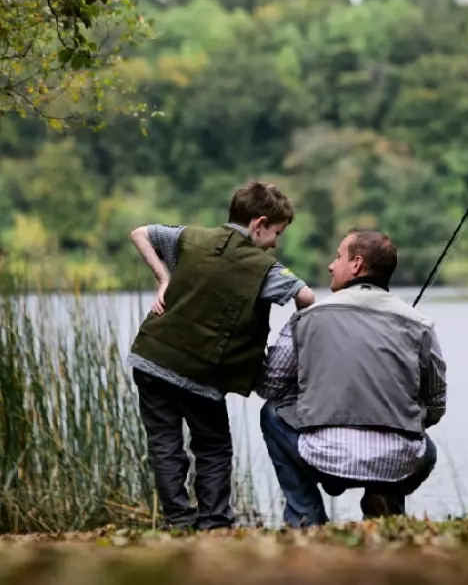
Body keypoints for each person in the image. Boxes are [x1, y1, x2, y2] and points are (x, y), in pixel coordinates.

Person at [126, 181, 315, 532]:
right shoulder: (264, 268)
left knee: (165, 443)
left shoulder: (191, 237)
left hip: (150, 358)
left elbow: (140, 233)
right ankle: (213, 525)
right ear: (258, 224)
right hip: (200, 373)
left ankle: (178, 522)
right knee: (212, 448)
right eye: (276, 232)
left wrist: (163, 279)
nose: (275, 242)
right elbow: (306, 297)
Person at [254, 229, 447, 527]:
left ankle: (307, 519)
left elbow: (270, 387)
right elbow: (435, 404)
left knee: (271, 415)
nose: (331, 265)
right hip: (398, 462)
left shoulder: (307, 317)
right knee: (425, 446)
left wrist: (308, 388)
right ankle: (385, 505)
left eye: (337, 256)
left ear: (356, 265)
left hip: (323, 458)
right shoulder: (419, 324)